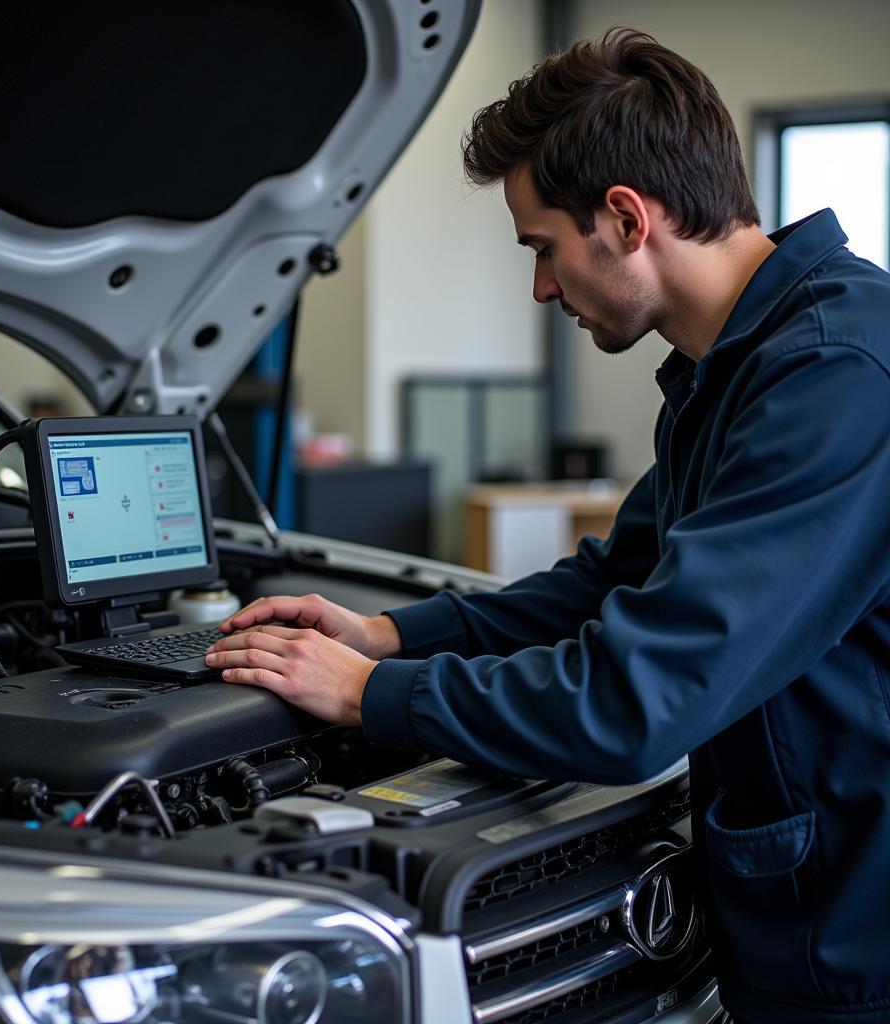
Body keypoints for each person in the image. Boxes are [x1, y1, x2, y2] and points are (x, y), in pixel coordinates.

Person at [205, 28, 890, 1024]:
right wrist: (387, 634)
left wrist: (373, 697)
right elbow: (609, 583)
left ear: (623, 217)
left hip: (858, 949)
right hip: (799, 920)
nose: (539, 289)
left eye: (541, 249)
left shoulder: (835, 378)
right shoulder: (734, 369)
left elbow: (634, 697)